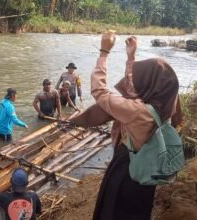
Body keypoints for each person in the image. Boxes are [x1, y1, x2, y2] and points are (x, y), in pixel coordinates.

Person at [70, 34, 183, 220]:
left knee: (113, 211)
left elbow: (99, 91)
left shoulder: (137, 111)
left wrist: (104, 52)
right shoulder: (164, 105)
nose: (137, 82)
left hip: (126, 174)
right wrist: (131, 57)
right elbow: (133, 88)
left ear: (150, 84)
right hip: (147, 172)